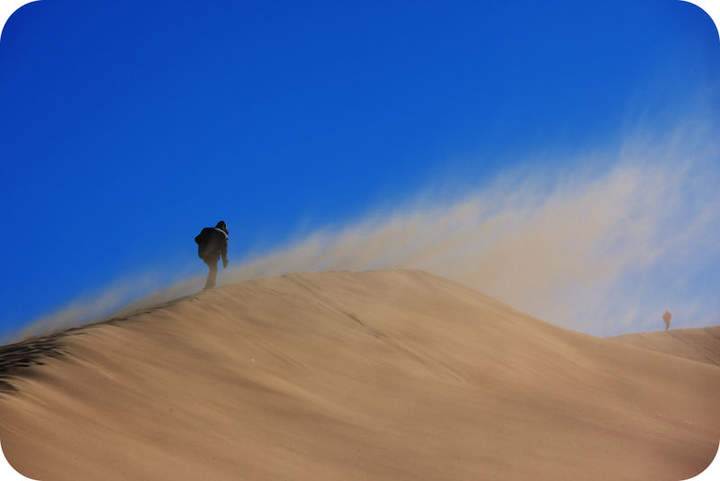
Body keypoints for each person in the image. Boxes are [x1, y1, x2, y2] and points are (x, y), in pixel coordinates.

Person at [195, 220, 229, 289]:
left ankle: (209, 285)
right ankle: (209, 286)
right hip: (213, 255)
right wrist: (224, 261)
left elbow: (196, 239)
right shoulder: (224, 235)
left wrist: (203, 246)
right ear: (224, 228)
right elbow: (224, 250)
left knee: (212, 268)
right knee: (214, 269)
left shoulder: (206, 230)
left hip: (202, 253)